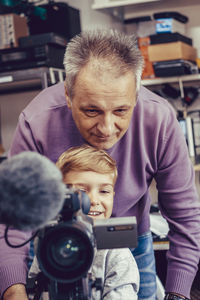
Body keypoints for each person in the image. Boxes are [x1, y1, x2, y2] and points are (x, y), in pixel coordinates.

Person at [1, 28, 200, 300]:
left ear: (136, 95)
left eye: (121, 110)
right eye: (92, 110)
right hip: (54, 244)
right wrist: (13, 290)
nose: (107, 129)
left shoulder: (159, 120)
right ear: (68, 95)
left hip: (129, 242)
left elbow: (186, 218)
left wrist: (178, 293)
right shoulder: (37, 121)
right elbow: (11, 219)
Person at [28, 144, 140, 299]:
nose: (93, 200)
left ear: (113, 195)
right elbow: (34, 291)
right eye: (81, 192)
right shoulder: (48, 244)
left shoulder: (117, 254)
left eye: (104, 191)